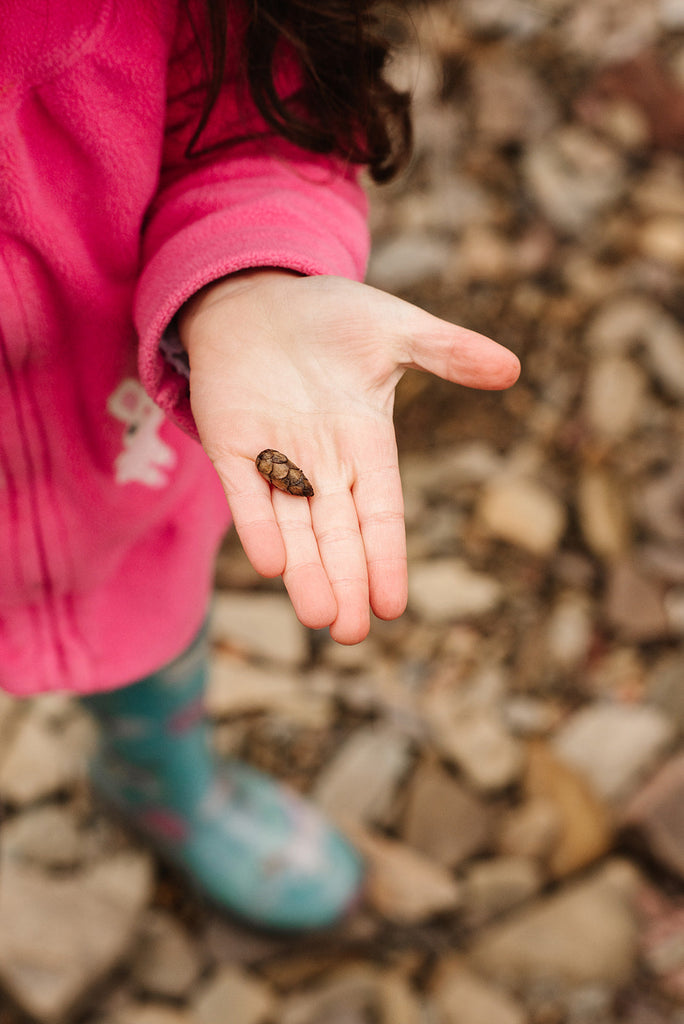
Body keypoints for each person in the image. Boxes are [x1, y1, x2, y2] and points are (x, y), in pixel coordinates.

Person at [1, 0, 520, 930]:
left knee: (156, 639)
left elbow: (252, 119)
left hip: (118, 477)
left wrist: (246, 278)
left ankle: (160, 779)